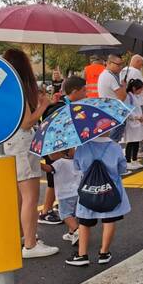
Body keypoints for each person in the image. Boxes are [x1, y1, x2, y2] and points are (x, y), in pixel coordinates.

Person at [3, 49, 59, 258]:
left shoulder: (6, 88)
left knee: (19, 195)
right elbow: (26, 123)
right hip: (23, 144)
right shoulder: (18, 89)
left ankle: (21, 236)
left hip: (11, 144)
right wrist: (43, 106)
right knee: (30, 196)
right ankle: (31, 245)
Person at [66, 131, 131, 267]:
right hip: (110, 190)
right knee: (109, 219)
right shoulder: (115, 147)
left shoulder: (82, 146)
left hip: (88, 190)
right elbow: (122, 168)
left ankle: (82, 255)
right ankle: (104, 253)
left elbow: (77, 166)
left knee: (84, 221)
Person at [39, 76, 88, 225]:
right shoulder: (59, 107)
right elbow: (50, 131)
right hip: (55, 150)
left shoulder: (68, 104)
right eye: (84, 90)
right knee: (53, 180)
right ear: (74, 91)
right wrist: (64, 152)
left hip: (64, 150)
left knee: (58, 180)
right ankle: (46, 212)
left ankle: (54, 209)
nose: (86, 93)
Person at [45, 149, 82, 246]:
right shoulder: (78, 161)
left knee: (65, 215)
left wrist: (38, 164)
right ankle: (71, 234)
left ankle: (77, 231)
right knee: (74, 215)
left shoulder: (60, 162)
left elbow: (49, 169)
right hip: (78, 193)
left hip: (65, 194)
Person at [98, 54, 127, 142]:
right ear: (109, 63)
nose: (120, 67)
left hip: (108, 109)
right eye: (118, 64)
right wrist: (124, 87)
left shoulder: (106, 74)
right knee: (112, 141)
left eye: (121, 64)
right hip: (114, 111)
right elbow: (122, 97)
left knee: (110, 139)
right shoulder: (110, 77)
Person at [124, 79, 143, 170]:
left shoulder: (134, 96)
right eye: (140, 89)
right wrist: (137, 117)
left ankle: (134, 159)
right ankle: (128, 161)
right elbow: (128, 110)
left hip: (137, 122)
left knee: (136, 141)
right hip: (132, 122)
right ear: (134, 88)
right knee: (130, 142)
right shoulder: (128, 96)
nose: (141, 91)